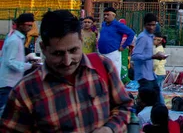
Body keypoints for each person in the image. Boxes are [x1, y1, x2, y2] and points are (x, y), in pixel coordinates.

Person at [0, 10, 133, 132]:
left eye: (73, 50)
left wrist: (110, 129)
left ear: (81, 41)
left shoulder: (102, 66)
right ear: (43, 48)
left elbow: (124, 106)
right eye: (58, 53)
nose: (67, 61)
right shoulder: (25, 91)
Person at [0, 13, 38, 114]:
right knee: (4, 112)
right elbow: (10, 62)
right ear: (21, 25)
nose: (30, 28)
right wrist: (30, 66)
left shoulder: (17, 39)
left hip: (13, 82)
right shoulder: (14, 40)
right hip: (8, 83)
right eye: (28, 25)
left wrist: (27, 58)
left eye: (31, 25)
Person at [131, 13, 168, 101]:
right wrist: (152, 56)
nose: (151, 27)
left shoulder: (151, 37)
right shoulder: (143, 37)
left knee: (157, 98)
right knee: (147, 100)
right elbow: (135, 56)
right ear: (144, 25)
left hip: (151, 74)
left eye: (153, 25)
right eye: (149, 25)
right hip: (144, 75)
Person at [98, 6, 135, 75]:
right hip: (102, 53)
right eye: (104, 15)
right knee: (103, 74)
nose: (105, 16)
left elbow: (131, 33)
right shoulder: (104, 24)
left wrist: (123, 46)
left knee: (114, 75)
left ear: (113, 15)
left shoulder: (118, 25)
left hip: (113, 53)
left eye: (107, 14)